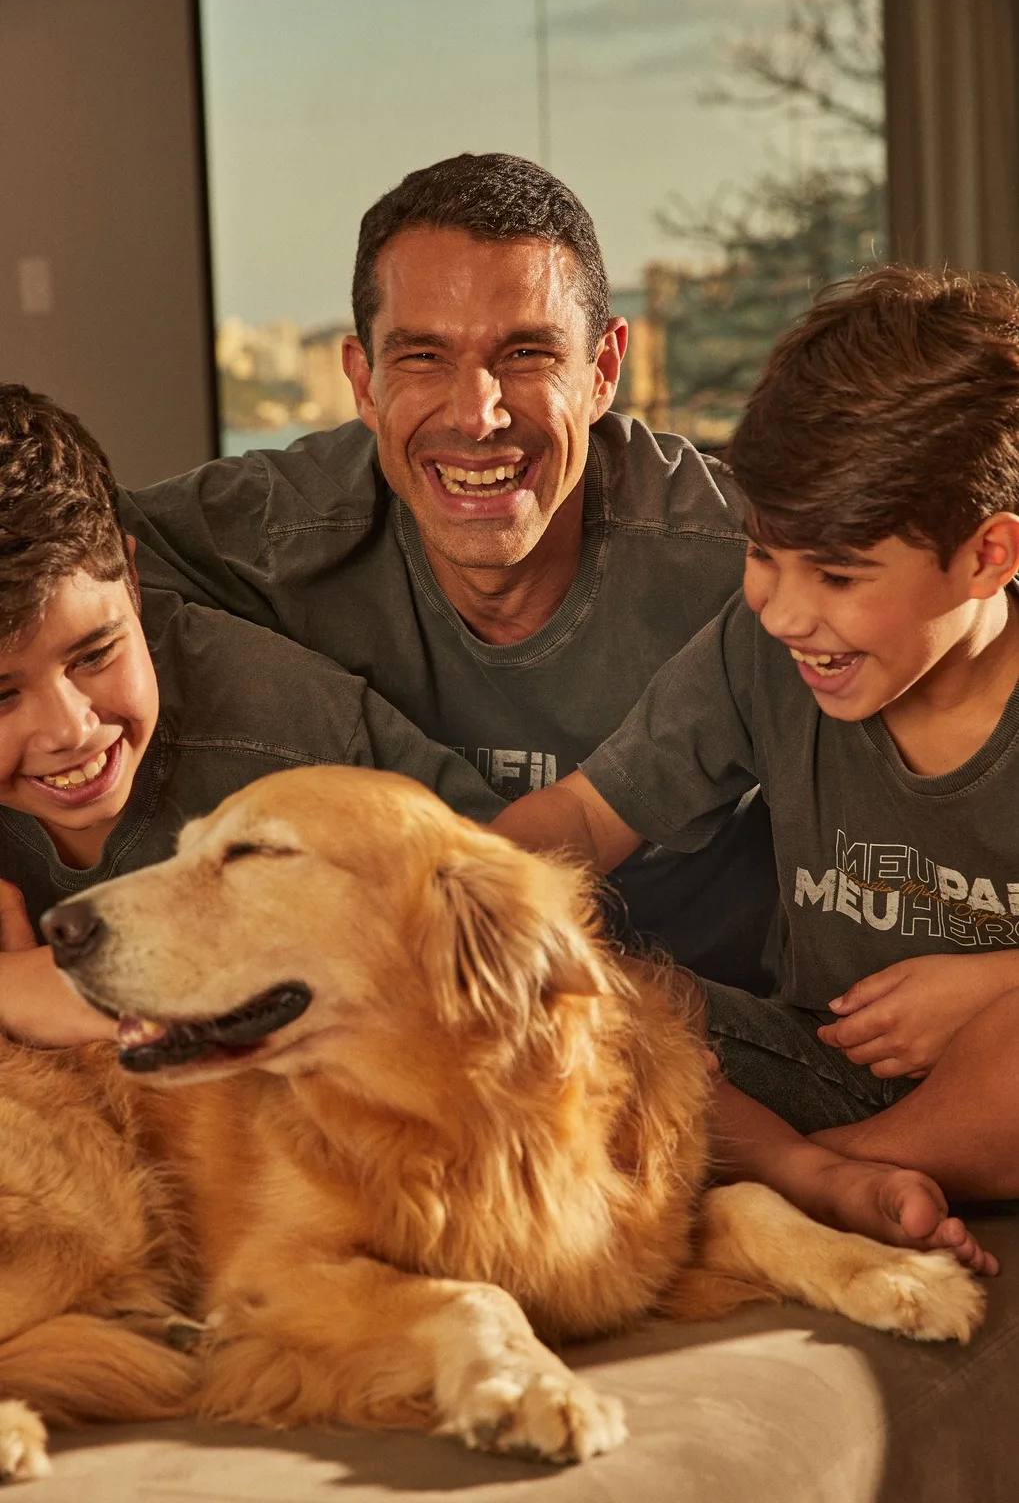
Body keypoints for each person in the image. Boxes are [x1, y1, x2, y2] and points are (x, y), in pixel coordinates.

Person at [118, 151, 778, 997]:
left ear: (603, 371)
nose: (476, 414)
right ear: (362, 380)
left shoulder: (745, 554)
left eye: (527, 354)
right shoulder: (277, 529)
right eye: (422, 357)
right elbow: (45, 562)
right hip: (396, 1000)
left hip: (702, 1017)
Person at [491, 264, 1019, 1275]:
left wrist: (992, 984)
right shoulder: (760, 648)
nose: (781, 608)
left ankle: (805, 1174)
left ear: (987, 555)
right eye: (762, 553)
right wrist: (448, 898)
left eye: (836, 574)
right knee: (587, 988)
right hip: (809, 1060)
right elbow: (587, 816)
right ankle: (811, 1175)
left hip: (993, 1081)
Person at [0, 384, 502, 1045]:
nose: (70, 730)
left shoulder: (288, 729)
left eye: (95, 653)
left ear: (131, 576)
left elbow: (512, 902)